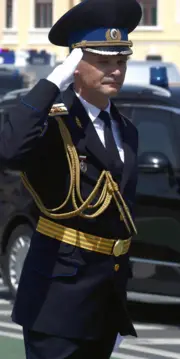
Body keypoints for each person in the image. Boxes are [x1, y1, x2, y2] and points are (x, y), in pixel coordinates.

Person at [3, 0, 142, 358]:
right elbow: (10, 148)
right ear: (75, 64)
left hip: (105, 299)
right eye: (103, 61)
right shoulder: (54, 121)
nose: (115, 70)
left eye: (120, 61)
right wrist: (52, 82)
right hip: (57, 300)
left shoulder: (126, 129)